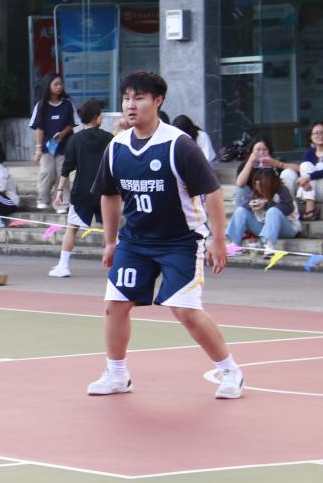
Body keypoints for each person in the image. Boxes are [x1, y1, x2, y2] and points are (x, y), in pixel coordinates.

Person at [87, 71, 244, 401]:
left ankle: (230, 371)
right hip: (135, 241)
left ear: (157, 101)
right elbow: (109, 195)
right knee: (115, 305)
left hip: (180, 241)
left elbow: (213, 192)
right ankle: (116, 374)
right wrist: (110, 241)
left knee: (184, 310)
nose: (131, 105)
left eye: (139, 98)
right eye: (126, 98)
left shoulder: (178, 145)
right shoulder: (117, 147)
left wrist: (218, 239)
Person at [50, 99, 113, 278]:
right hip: (104, 192)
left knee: (72, 228)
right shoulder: (109, 138)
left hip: (82, 193)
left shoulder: (75, 140)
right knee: (110, 230)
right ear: (95, 117)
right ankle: (117, 267)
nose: (102, 117)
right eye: (100, 114)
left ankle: (63, 266)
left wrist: (59, 192)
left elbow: (67, 168)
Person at [29, 73, 78, 211]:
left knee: (62, 173)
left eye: (60, 84)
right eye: (55, 84)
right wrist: (38, 149)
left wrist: (62, 134)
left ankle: (62, 203)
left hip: (65, 145)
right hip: (47, 147)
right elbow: (39, 128)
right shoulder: (41, 105)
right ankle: (43, 198)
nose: (59, 87)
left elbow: (73, 123)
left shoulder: (68, 104)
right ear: (48, 86)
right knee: (47, 171)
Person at [226, 167, 300, 257]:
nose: (257, 187)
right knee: (241, 210)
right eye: (255, 184)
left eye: (261, 185)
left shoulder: (282, 190)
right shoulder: (256, 192)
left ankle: (270, 246)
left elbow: (288, 207)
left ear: (269, 184)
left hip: (288, 228)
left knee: (273, 211)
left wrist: (266, 205)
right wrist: (251, 205)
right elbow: (245, 205)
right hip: (264, 228)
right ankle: (236, 245)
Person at [232, 138, 297, 207]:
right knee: (241, 189)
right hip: (253, 198)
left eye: (265, 149)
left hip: (274, 198)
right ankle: (243, 211)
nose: (261, 152)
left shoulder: (275, 161)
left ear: (269, 151)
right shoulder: (246, 164)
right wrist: (250, 162)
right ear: (252, 151)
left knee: (288, 172)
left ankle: (287, 206)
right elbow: (240, 183)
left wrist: (278, 164)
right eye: (258, 149)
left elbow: (298, 169)